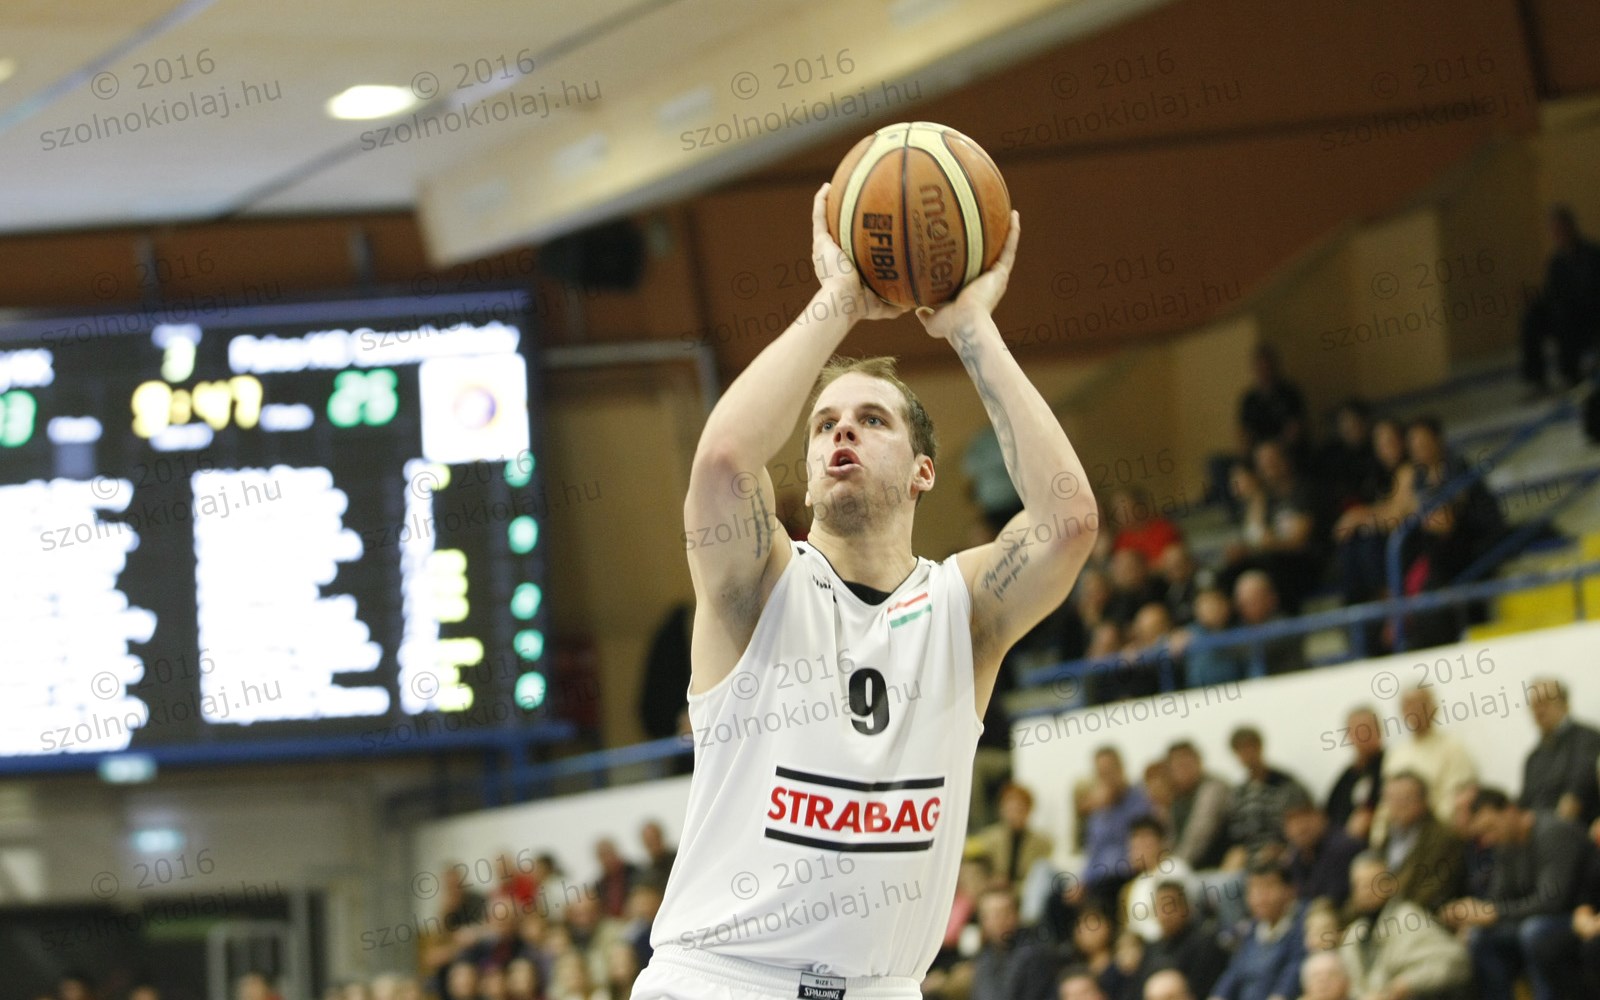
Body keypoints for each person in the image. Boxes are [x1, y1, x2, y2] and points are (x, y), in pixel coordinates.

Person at [636, 188, 1100, 999]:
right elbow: (723, 461)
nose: (842, 431)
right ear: (811, 469)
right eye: (824, 425)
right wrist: (839, 301)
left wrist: (970, 327)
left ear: (925, 471)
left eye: (873, 420)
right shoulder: (758, 582)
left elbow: (1068, 522)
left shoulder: (962, 610)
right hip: (722, 981)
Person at [1445, 787, 1586, 1000]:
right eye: (1483, 833)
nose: (1489, 839)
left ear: (1510, 810)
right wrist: (1474, 916)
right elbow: (1498, 898)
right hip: (1536, 917)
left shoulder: (1553, 832)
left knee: (1534, 932)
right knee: (1478, 936)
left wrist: (1495, 913)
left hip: (1575, 916)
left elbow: (1552, 901)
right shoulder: (1505, 844)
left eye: (1491, 828)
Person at [1337, 852, 1469, 1000]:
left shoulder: (1409, 919)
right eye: (1359, 885)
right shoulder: (1354, 933)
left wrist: (1407, 983)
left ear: (1391, 885)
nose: (1366, 891)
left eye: (1373, 883)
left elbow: (1455, 961)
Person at [1372, 687, 1478, 842]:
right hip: (1397, 835)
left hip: (1436, 834)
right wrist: (1378, 837)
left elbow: (1457, 797)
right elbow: (1386, 803)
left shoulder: (1452, 748)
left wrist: (1428, 830)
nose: (1414, 711)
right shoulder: (1396, 754)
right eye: (1408, 706)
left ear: (1434, 708)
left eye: (1420, 704)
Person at [1521, 204, 1600, 396]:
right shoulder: (1556, 263)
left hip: (1589, 316)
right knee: (1532, 316)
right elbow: (1552, 294)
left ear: (1571, 227)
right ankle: (1536, 379)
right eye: (1554, 230)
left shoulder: (1592, 254)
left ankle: (1571, 373)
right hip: (1564, 315)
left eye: (1560, 228)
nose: (1558, 234)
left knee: (1565, 314)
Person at [1206, 859, 1307, 1000]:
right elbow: (1234, 972)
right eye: (1253, 889)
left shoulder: (1304, 922)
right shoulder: (1253, 928)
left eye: (1268, 887)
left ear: (1290, 890)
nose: (1260, 896)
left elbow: (1294, 970)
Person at [1371, 771, 1464, 913]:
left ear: (1424, 800)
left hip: (1418, 913)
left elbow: (1433, 889)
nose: (1397, 805)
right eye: (1391, 798)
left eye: (1404, 799)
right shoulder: (1389, 831)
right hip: (1384, 908)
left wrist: (1387, 897)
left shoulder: (1443, 838)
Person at [1224, 727, 1312, 866]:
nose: (1246, 755)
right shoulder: (1239, 793)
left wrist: (1282, 849)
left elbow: (1302, 825)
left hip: (1282, 856)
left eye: (1249, 748)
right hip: (1247, 859)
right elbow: (1235, 832)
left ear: (1260, 747)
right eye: (1240, 750)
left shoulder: (1286, 785)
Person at [1519, 676, 1600, 825]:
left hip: (1577, 827)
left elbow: (1576, 796)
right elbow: (1524, 804)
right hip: (1539, 829)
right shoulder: (1533, 758)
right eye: (1534, 705)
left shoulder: (1587, 739)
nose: (1539, 711)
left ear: (1565, 705)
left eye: (1545, 702)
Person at [970, 887, 1059, 1000]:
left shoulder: (1035, 953)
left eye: (1005, 913)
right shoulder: (984, 957)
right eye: (994, 915)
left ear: (1017, 915)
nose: (1001, 920)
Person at [1144, 881, 1229, 997]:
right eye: (1161, 907)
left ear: (1186, 908)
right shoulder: (1151, 949)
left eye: (1171, 906)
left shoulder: (1205, 945)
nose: (1166, 914)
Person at [1123, 816, 1200, 944]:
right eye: (1135, 845)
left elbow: (1180, 916)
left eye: (1145, 841)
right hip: (1146, 947)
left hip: (1178, 941)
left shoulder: (1175, 868)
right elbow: (1134, 928)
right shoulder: (1138, 884)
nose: (1139, 849)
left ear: (1161, 842)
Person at [969, 781, 1055, 888]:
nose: (1014, 814)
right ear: (1001, 809)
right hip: (993, 891)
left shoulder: (1042, 843)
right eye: (1010, 809)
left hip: (1026, 892)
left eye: (1020, 809)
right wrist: (991, 881)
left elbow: (1041, 878)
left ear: (1029, 810)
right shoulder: (989, 839)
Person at [1281, 798, 1363, 908]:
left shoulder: (1342, 848)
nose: (1300, 828)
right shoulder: (1295, 858)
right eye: (1292, 823)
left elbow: (1336, 899)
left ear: (1321, 817)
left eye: (1305, 819)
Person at [1322, 706, 1384, 844]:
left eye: (1367, 729)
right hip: (1341, 842)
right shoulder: (1347, 775)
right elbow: (1328, 814)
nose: (1363, 736)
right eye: (1356, 731)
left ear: (1380, 730)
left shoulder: (1391, 765)